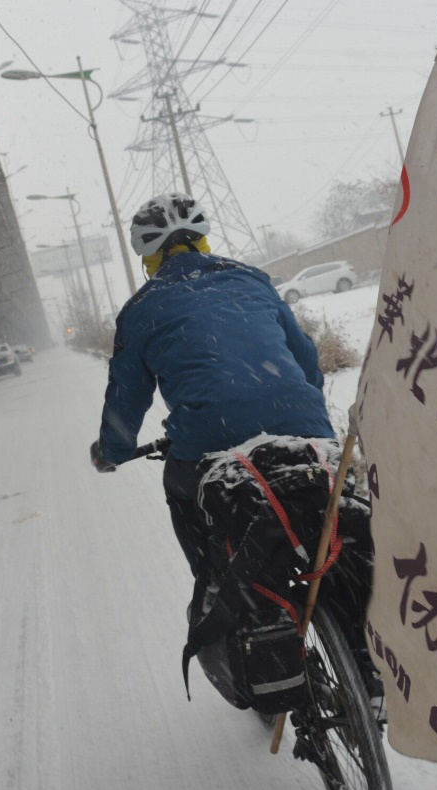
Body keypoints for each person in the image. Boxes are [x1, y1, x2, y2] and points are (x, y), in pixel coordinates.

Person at [89, 192, 335, 578]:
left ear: (147, 256)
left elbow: (127, 396)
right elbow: (305, 359)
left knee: (180, 487)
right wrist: (303, 411)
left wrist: (113, 450)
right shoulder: (251, 280)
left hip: (212, 442)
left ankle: (214, 586)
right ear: (202, 238)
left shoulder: (141, 310)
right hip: (306, 429)